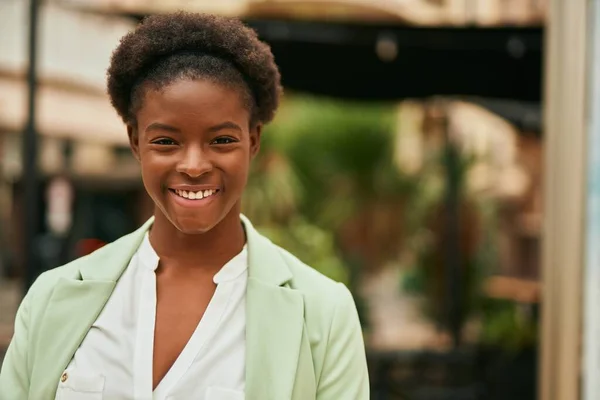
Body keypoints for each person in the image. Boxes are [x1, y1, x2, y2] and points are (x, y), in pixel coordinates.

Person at [0, 12, 369, 400]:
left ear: (253, 141)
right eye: (166, 141)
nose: (193, 165)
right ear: (135, 141)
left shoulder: (323, 315)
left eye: (222, 140)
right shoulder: (52, 298)